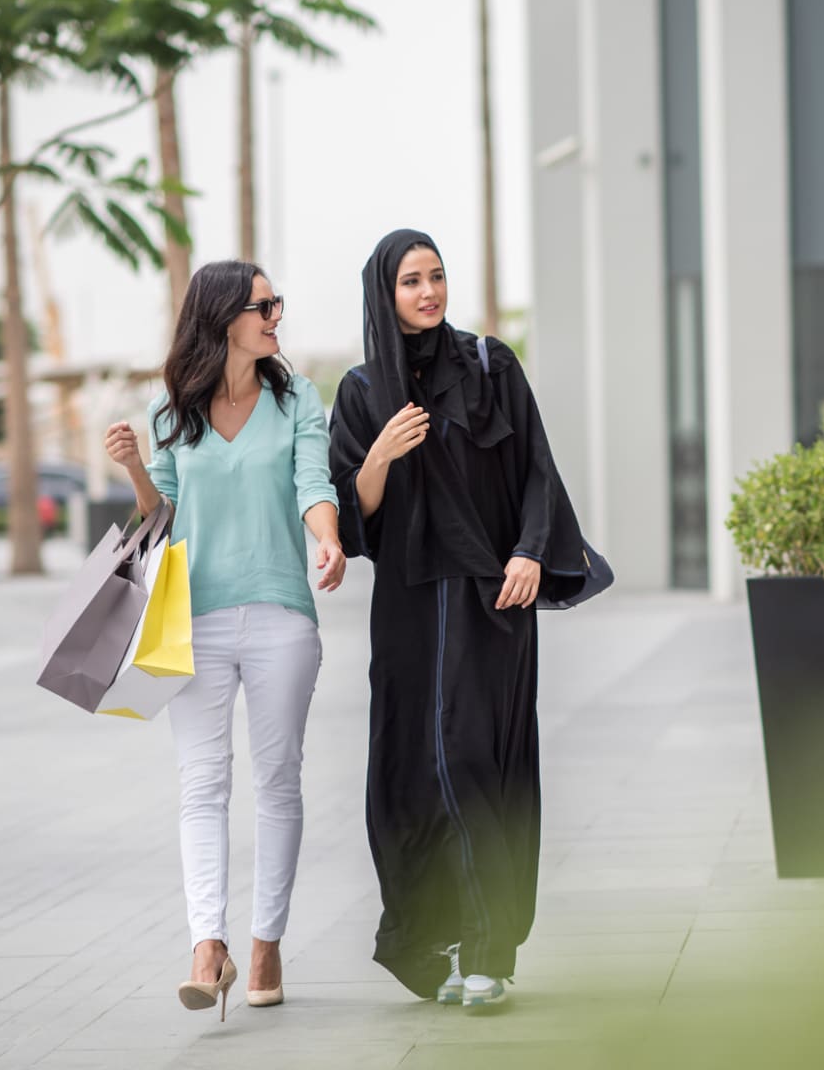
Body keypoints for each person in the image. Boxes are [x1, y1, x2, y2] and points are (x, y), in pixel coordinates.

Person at [329, 229, 591, 1009]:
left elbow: (538, 468)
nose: (429, 292)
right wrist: (380, 454)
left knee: (481, 761)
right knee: (413, 772)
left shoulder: (490, 366)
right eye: (412, 281)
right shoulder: (360, 391)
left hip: (492, 601)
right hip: (409, 609)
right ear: (386, 291)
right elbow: (352, 520)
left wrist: (532, 552)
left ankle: (490, 948)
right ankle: (433, 943)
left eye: (437, 276)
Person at [104, 260, 345, 1020]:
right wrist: (136, 468)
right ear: (223, 318)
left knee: (278, 781)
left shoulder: (297, 396)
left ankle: (266, 941)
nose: (277, 314)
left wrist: (328, 541)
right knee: (202, 784)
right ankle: (209, 945)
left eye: (277, 303)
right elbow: (162, 515)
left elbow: (314, 481)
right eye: (264, 305)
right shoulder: (171, 406)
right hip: (195, 619)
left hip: (281, 614)